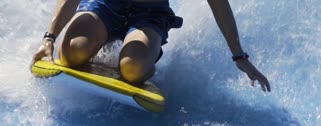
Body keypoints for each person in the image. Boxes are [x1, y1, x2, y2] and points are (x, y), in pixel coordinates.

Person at [32, 0, 271, 92]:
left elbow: (218, 4)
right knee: (72, 53)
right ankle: (100, 40)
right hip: (105, 5)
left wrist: (239, 57)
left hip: (149, 14)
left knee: (132, 69)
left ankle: (140, 52)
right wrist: (50, 37)